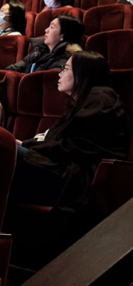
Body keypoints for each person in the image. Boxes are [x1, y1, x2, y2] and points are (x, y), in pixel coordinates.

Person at [9, 52, 129, 211]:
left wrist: (24, 146)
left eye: (65, 69)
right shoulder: (85, 101)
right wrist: (23, 144)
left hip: (74, 178)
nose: (60, 73)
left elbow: (72, 146)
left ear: (82, 73)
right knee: (4, 156)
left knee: (5, 154)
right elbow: (55, 140)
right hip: (63, 168)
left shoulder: (101, 99)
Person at [7, 16, 85, 74]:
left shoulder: (65, 61)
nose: (46, 30)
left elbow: (39, 83)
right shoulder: (39, 50)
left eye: (52, 27)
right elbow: (16, 67)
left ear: (63, 36)